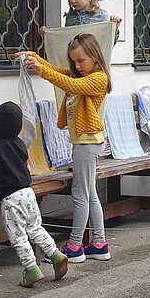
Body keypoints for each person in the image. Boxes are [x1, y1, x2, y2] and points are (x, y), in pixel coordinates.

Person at [16, 33, 112, 263]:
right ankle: (99, 243)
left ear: (95, 57)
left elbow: (68, 83)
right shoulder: (84, 74)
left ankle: (75, 246)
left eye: (81, 61)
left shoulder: (98, 78)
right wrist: (34, 58)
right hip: (84, 143)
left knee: (80, 194)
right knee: (89, 192)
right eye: (74, 62)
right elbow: (59, 73)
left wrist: (40, 68)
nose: (77, 66)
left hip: (87, 144)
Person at [0, 101, 68, 287]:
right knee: (36, 228)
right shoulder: (19, 144)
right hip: (28, 192)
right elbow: (24, 167)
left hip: (11, 198)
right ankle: (56, 255)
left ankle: (31, 269)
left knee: (18, 235)